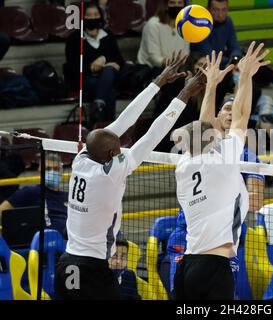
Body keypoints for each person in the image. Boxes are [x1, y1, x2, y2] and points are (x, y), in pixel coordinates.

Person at [54, 52, 206, 300]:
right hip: (91, 269)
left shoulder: (82, 158)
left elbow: (123, 120)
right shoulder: (110, 173)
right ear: (112, 153)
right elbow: (152, 136)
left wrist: (157, 82)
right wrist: (184, 95)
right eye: (118, 149)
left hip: (67, 262)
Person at [173, 42, 270, 300]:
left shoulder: (183, 165)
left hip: (188, 263)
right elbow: (242, 115)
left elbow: (204, 125)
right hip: (215, 265)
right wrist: (246, 75)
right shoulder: (225, 161)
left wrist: (212, 84)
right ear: (212, 133)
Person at [64, 1, 125, 125]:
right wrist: (93, 67)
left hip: (107, 77)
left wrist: (103, 62)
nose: (93, 18)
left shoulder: (108, 36)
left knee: (108, 72)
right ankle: (108, 129)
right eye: (89, 15)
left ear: (101, 16)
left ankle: (98, 108)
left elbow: (119, 61)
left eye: (96, 14)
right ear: (82, 17)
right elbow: (73, 67)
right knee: (110, 92)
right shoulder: (75, 39)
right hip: (84, 78)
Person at [0, 153, 68, 238]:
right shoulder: (30, 192)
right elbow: (2, 210)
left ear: (61, 171)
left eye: (56, 169)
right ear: (39, 172)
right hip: (41, 245)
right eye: (48, 169)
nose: (52, 172)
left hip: (68, 242)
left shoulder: (67, 196)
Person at [137, 0, 189, 76]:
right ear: (165, 5)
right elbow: (154, 58)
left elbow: (185, 53)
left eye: (180, 3)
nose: (176, 6)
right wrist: (172, 65)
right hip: (151, 69)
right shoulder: (153, 25)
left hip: (176, 69)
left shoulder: (185, 26)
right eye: (172, 3)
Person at [191, 0, 241, 69]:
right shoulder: (200, 24)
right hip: (202, 67)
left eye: (223, 10)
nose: (220, 14)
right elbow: (209, 55)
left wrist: (235, 58)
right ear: (208, 9)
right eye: (216, 10)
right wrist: (230, 62)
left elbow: (234, 46)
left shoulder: (228, 21)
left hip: (222, 64)